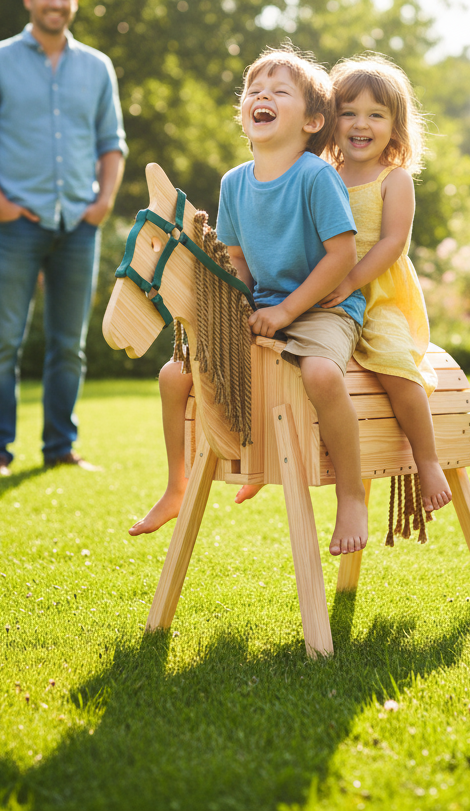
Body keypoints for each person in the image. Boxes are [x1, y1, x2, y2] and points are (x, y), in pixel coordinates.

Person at [130, 47, 369, 557]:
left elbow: (342, 256)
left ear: (312, 121)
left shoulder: (315, 176)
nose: (262, 96)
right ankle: (175, 486)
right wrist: (230, 308)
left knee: (320, 374)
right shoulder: (234, 182)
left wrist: (286, 312)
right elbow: (237, 261)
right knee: (174, 375)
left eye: (280, 91)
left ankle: (351, 495)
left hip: (324, 308)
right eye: (254, 90)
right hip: (263, 307)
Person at [0, 0, 127, 474]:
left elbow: (112, 144)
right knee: (2, 343)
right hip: (16, 225)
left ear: (75, 0)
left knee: (69, 346)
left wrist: (103, 204)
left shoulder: (97, 67)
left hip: (78, 225)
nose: (56, 2)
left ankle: (60, 449)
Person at [320, 54, 452, 513]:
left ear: (395, 127)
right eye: (348, 112)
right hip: (326, 291)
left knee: (394, 361)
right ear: (330, 120)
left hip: (379, 294)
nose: (361, 124)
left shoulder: (394, 180)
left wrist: (351, 281)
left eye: (375, 115)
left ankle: (427, 460)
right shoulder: (321, 175)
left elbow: (394, 242)